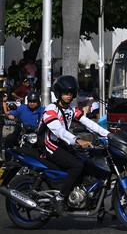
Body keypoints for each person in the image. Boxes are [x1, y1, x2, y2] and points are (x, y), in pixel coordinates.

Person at [40, 75, 110, 215]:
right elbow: (58, 131)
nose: (69, 96)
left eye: (71, 93)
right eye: (66, 93)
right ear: (58, 93)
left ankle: (91, 201)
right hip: (50, 145)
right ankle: (59, 198)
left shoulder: (71, 108)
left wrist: (108, 135)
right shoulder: (50, 110)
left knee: (88, 161)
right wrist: (77, 140)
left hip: (63, 143)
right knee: (76, 165)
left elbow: (87, 122)